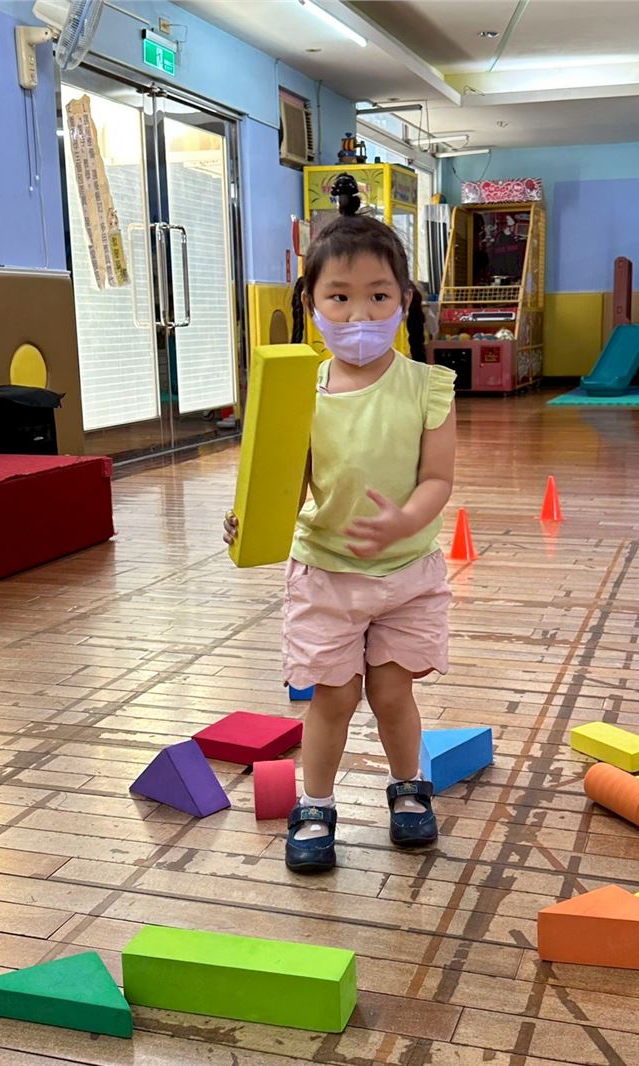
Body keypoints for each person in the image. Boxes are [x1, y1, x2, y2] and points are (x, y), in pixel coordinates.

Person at [224, 176, 456, 874]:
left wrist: (404, 520)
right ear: (311, 303)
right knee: (332, 697)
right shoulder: (301, 389)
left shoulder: (427, 385)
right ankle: (315, 804)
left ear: (405, 300)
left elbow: (438, 478)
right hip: (325, 574)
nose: (360, 314)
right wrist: (250, 521)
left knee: (391, 692)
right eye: (340, 297)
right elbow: (285, 481)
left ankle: (408, 788)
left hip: (407, 575)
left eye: (379, 296)